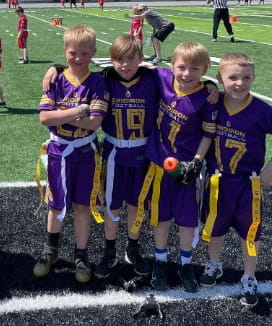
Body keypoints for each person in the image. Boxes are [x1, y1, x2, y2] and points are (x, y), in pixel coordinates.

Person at [133, 42, 218, 293]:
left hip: (186, 169)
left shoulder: (207, 97)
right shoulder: (163, 77)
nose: (187, 73)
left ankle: (186, 263)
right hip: (159, 164)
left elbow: (207, 134)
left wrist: (197, 161)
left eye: (195, 68)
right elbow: (137, 66)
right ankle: (160, 261)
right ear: (172, 66)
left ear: (205, 69)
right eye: (181, 67)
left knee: (187, 219)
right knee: (160, 217)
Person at [33, 25, 108, 284]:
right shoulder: (55, 78)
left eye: (85, 53)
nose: (78, 58)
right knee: (55, 202)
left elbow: (94, 123)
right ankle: (50, 250)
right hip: (58, 150)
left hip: (86, 151)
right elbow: (44, 118)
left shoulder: (97, 81)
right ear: (65, 51)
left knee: (82, 205)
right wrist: (79, 111)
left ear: (93, 53)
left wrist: (63, 116)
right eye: (73, 53)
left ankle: (81, 254)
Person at [199, 53, 272, 307]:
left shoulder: (261, 110)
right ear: (221, 78)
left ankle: (249, 276)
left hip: (248, 184)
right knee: (215, 227)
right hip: (218, 181)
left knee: (250, 232)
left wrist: (270, 168)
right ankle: (214, 264)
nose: (239, 83)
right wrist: (209, 85)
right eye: (232, 78)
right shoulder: (214, 101)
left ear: (254, 79)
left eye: (246, 78)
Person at [93, 35, 159, 279]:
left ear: (141, 59)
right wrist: (54, 69)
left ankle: (133, 248)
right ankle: (109, 250)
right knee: (112, 205)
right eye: (119, 60)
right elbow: (77, 77)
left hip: (142, 153)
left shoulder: (152, 80)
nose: (125, 65)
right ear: (111, 61)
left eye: (131, 59)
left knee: (136, 204)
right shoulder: (104, 79)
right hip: (114, 153)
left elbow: (183, 83)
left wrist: (210, 86)